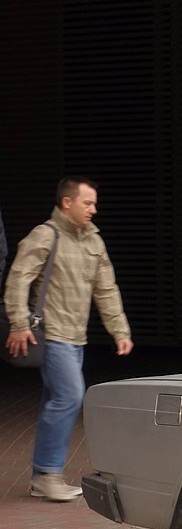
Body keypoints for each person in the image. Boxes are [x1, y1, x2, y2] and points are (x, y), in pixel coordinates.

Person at [4, 176, 133, 502]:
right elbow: (19, 279)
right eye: (87, 202)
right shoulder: (45, 236)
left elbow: (106, 289)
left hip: (76, 338)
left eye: (94, 202)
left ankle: (40, 478)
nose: (94, 208)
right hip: (51, 335)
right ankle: (48, 474)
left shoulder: (93, 241)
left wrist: (120, 330)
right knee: (70, 397)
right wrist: (18, 323)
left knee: (56, 399)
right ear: (67, 203)